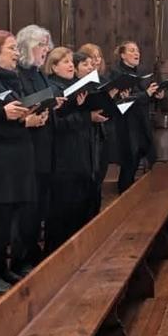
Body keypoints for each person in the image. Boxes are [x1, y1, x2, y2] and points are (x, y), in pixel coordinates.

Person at [0, 31, 38, 285]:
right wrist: (21, 119)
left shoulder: (13, 78)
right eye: (11, 48)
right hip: (1, 158)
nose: (17, 53)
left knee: (13, 218)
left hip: (18, 156)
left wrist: (31, 114)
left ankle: (3, 268)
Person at [44, 46, 106, 249]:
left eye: (71, 61)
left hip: (81, 155)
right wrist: (86, 116)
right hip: (65, 158)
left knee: (81, 210)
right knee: (64, 214)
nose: (71, 65)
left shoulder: (75, 86)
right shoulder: (53, 89)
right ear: (54, 67)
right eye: (65, 62)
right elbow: (58, 124)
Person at [14, 25, 55, 270]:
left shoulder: (39, 74)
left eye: (47, 45)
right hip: (26, 146)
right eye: (41, 45)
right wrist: (29, 117)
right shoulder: (18, 73)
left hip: (43, 145)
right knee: (26, 210)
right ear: (28, 46)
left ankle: (33, 254)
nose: (46, 49)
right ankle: (21, 259)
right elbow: (20, 106)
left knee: (39, 206)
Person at [109, 40, 160, 192]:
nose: (136, 53)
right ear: (122, 55)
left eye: (137, 50)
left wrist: (156, 95)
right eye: (131, 50)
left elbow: (142, 96)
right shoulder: (116, 73)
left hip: (141, 121)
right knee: (129, 163)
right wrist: (145, 94)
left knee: (142, 159)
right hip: (126, 124)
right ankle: (124, 197)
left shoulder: (142, 72)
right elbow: (122, 100)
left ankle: (134, 197)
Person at [74, 48, 106, 219]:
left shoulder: (94, 85)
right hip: (79, 143)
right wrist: (87, 115)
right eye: (85, 64)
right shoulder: (73, 87)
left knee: (96, 183)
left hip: (95, 138)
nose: (90, 67)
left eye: (91, 64)